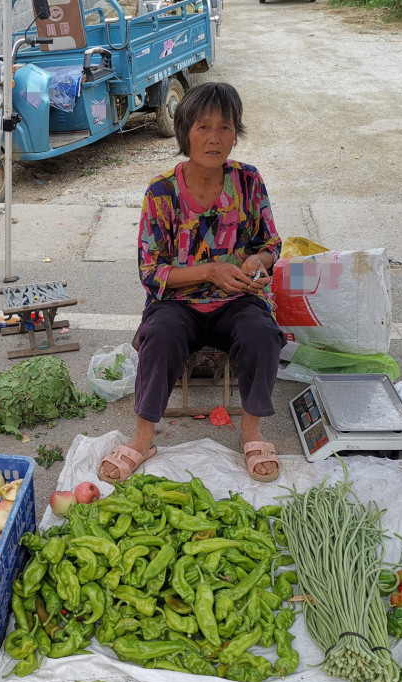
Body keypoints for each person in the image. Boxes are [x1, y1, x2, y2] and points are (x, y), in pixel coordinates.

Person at [98, 82, 286, 484]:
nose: (214, 138)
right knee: (160, 335)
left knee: (262, 333)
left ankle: (252, 433)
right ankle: (142, 438)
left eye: (225, 127)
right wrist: (209, 270)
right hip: (177, 303)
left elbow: (271, 243)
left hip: (236, 299)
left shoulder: (248, 182)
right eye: (203, 127)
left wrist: (256, 261)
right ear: (185, 132)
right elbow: (150, 270)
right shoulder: (162, 192)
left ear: (236, 133)